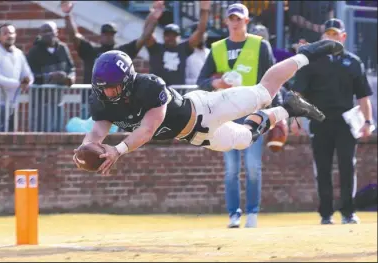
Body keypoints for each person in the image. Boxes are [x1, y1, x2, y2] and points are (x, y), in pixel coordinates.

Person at [73, 39, 344, 178]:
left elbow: (147, 129)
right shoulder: (103, 100)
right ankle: (289, 108)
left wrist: (118, 150)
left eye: (112, 86)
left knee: (264, 92)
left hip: (206, 108)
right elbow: (97, 131)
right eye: (103, 87)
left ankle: (308, 53)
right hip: (196, 136)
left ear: (128, 80)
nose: (108, 92)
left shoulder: (148, 86)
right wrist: (85, 151)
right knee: (245, 139)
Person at [196, 3, 282, 228]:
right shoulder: (216, 48)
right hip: (225, 115)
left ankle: (252, 213)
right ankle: (234, 214)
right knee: (232, 169)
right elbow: (202, 81)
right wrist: (218, 82)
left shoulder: (260, 46)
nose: (235, 22)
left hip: (253, 114)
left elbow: (273, 80)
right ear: (226, 21)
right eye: (231, 18)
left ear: (246, 21)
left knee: (253, 167)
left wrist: (278, 112)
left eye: (239, 18)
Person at [290, 18, 374, 225]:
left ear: (343, 37)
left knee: (348, 166)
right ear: (322, 37)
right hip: (320, 120)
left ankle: (348, 212)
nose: (331, 38)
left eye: (335, 34)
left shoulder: (353, 62)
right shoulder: (311, 61)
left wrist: (368, 121)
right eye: (328, 34)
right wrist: (295, 119)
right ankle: (326, 213)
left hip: (346, 122)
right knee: (323, 167)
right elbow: (298, 93)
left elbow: (363, 96)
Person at [61, 0, 165, 84]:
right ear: (101, 36)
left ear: (114, 35)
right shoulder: (90, 51)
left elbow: (144, 36)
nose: (108, 36)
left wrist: (154, 18)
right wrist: (67, 14)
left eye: (111, 34)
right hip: (91, 100)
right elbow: (73, 36)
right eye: (105, 34)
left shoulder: (123, 52)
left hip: (116, 101)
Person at [145, 1, 210, 86]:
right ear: (163, 36)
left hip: (176, 94)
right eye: (168, 35)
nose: (171, 38)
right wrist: (153, 15)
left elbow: (200, 31)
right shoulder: (156, 48)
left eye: (174, 35)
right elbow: (146, 33)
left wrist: (204, 9)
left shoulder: (184, 49)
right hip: (156, 92)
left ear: (179, 37)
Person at [27, 21, 76, 132]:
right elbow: (29, 75)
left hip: (58, 99)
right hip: (40, 102)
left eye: (50, 30)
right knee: (41, 131)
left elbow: (71, 68)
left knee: (58, 130)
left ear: (56, 32)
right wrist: (49, 76)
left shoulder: (63, 48)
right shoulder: (34, 51)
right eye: (44, 31)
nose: (48, 34)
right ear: (40, 34)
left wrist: (70, 78)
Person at [0, 23, 34, 132]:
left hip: (13, 102)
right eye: (5, 33)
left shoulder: (18, 53)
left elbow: (28, 74)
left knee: (10, 135)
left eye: (12, 32)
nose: (9, 35)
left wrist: (28, 82)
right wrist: (18, 84)